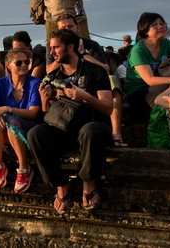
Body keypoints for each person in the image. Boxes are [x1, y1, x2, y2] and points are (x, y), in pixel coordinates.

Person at [27, 29, 113, 213]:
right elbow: (47, 113)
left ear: (71, 47)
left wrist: (85, 97)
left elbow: (108, 108)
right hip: (65, 128)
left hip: (93, 126)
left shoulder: (95, 71)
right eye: (51, 48)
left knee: (90, 130)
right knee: (36, 133)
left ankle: (89, 184)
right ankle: (60, 183)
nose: (52, 52)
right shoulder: (53, 76)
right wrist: (44, 100)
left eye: (56, 47)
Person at [0, 49, 41, 193]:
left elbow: (33, 113)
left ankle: (24, 168)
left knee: (11, 121)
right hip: (7, 126)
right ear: (9, 65)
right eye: (19, 62)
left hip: (29, 126)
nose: (23, 65)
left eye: (26, 62)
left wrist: (7, 109)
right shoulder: (0, 83)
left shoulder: (35, 83)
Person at [123, 13, 170, 123]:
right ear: (145, 30)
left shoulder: (165, 43)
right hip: (139, 91)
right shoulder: (138, 50)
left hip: (158, 85)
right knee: (165, 87)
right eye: (155, 25)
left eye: (162, 23)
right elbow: (150, 80)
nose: (161, 26)